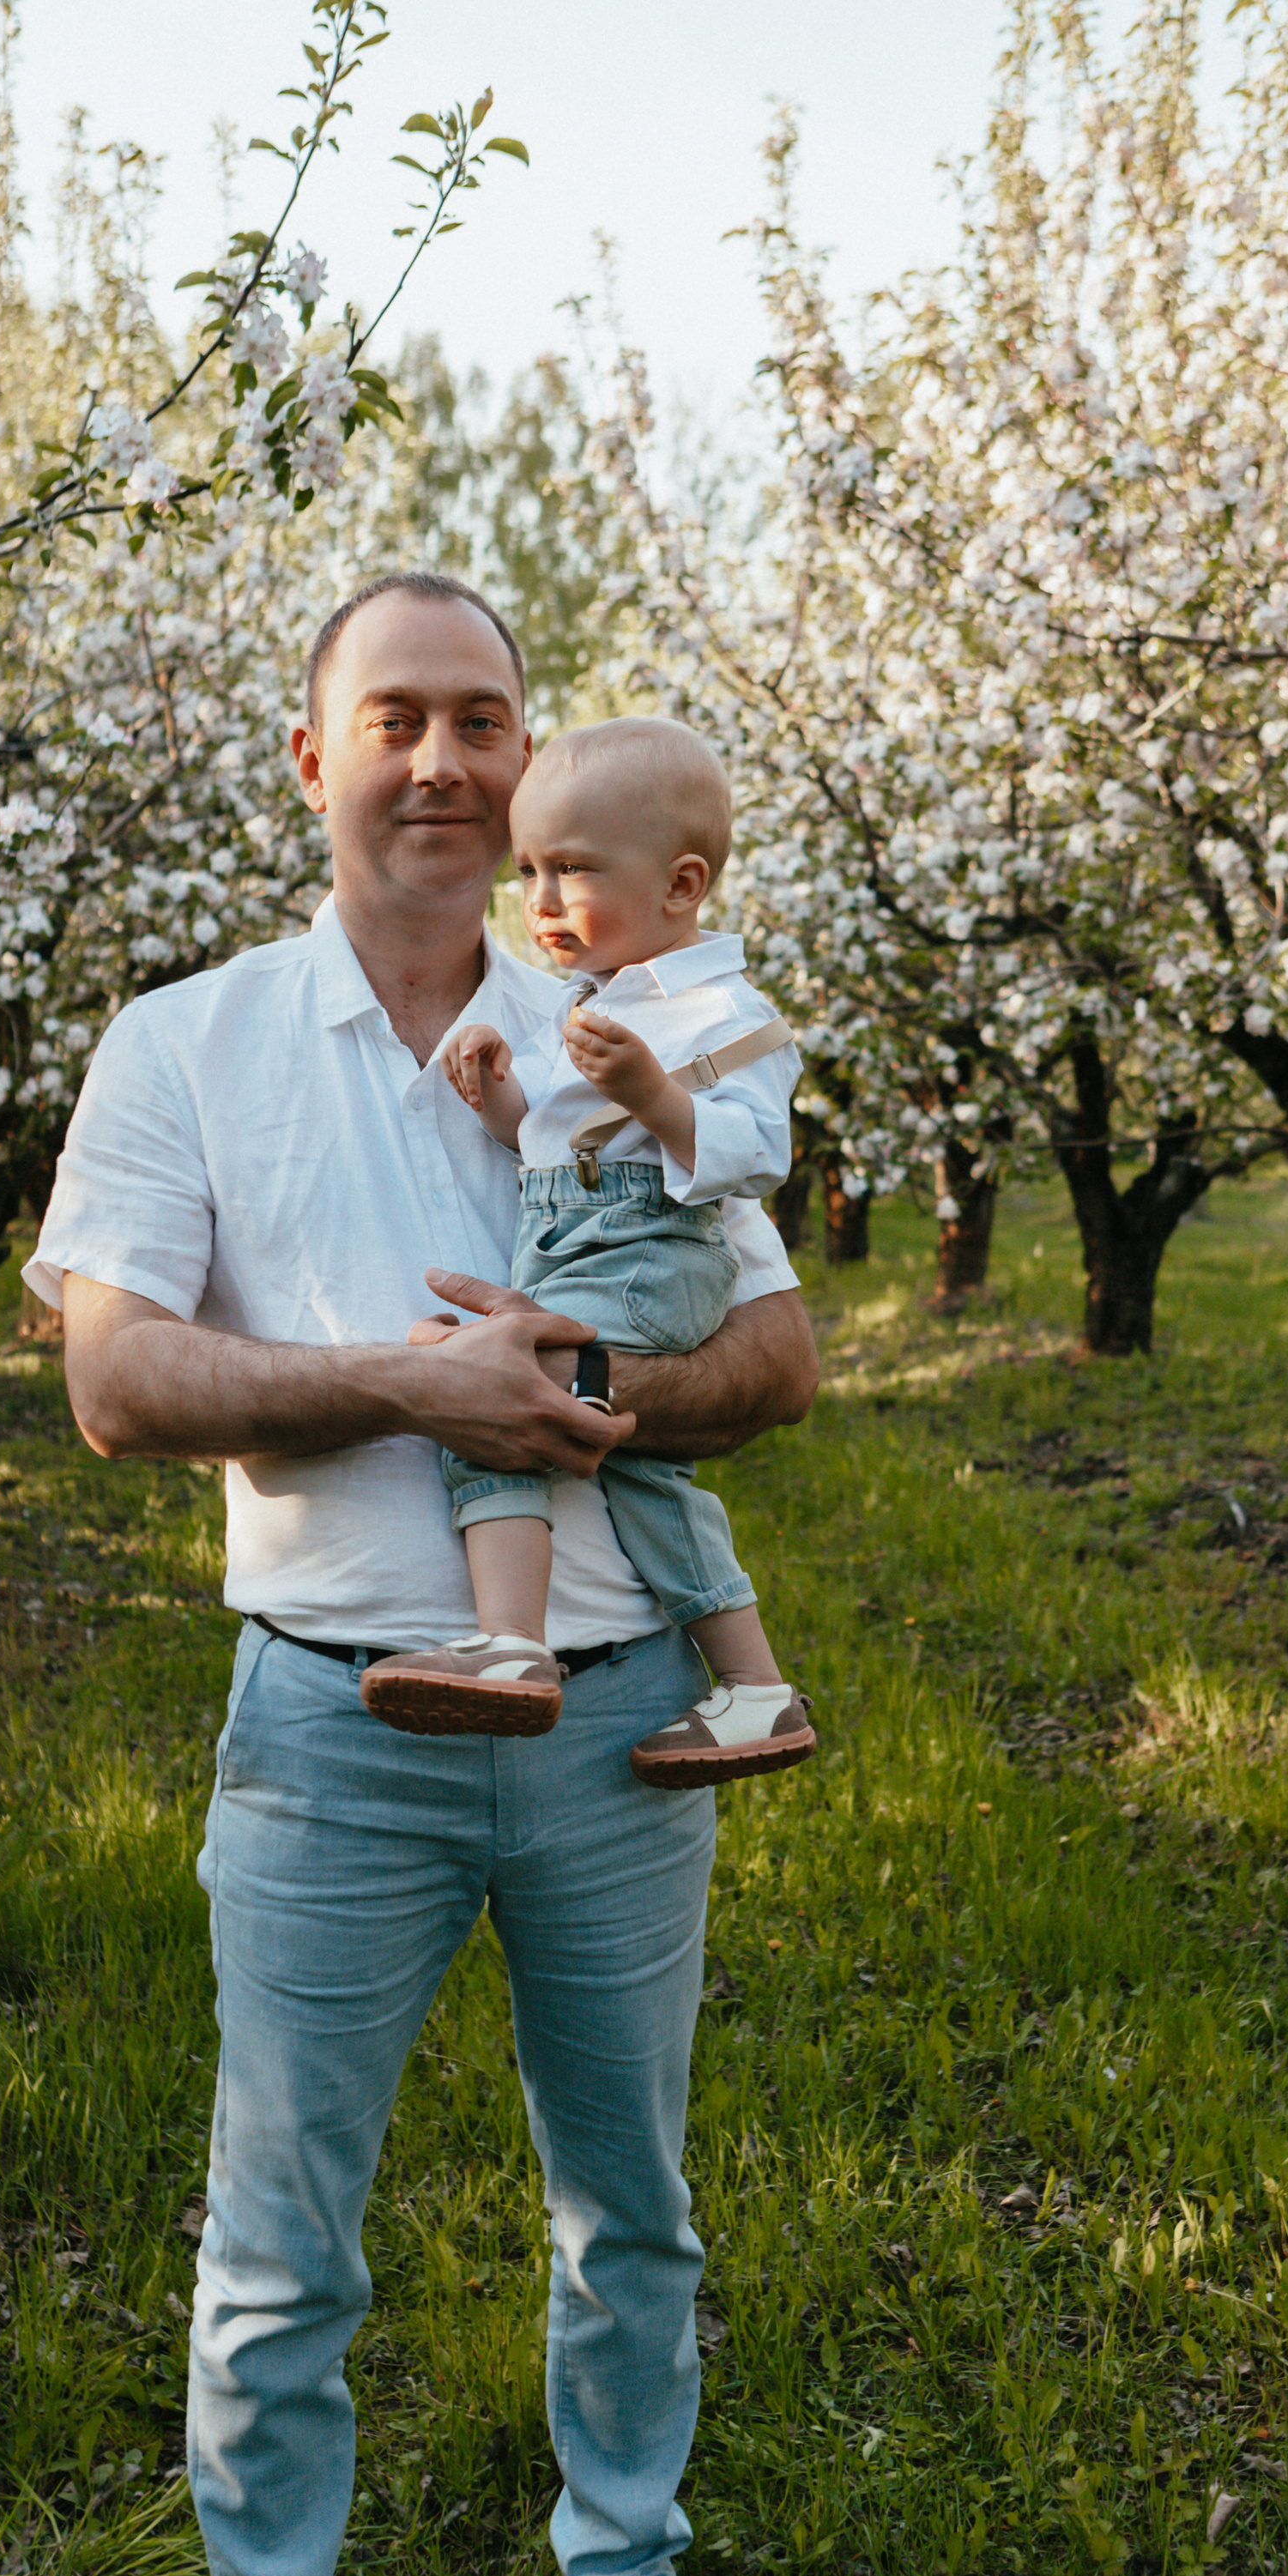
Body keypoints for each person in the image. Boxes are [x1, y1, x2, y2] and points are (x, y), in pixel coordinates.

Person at [25, 569, 818, 2576]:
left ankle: (632, 2563)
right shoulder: (186, 1045)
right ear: (315, 757)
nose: (451, 765)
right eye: (401, 718)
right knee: (283, 2240)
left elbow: (772, 1365)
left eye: (490, 719)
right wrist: (411, 1378)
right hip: (331, 1730)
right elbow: (115, 1378)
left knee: (630, 2203)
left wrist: (601, 1400)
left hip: (612, 1732)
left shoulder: (636, 1013)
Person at [359, 713, 818, 1788]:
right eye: (529, 873)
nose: (544, 903)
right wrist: (501, 1096)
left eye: (572, 870)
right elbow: (561, 1151)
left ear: (680, 883)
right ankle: (754, 1690)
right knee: (646, 1477)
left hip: (650, 1260)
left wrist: (654, 1094)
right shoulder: (595, 1003)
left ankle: (510, 1644)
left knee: (487, 1394)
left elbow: (759, 1153)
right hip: (591, 1250)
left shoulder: (719, 1013)